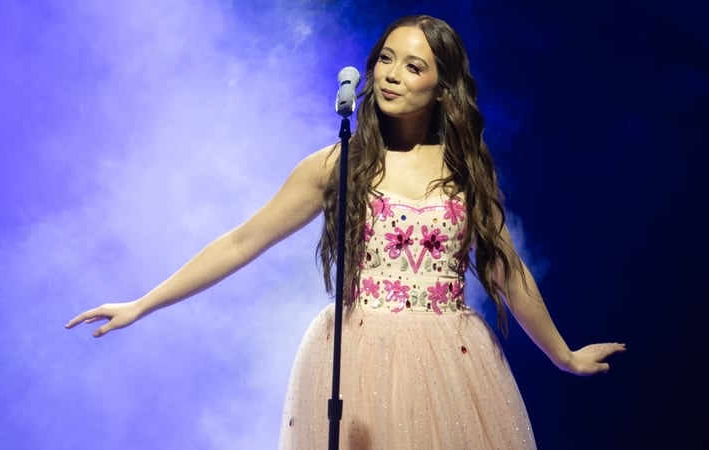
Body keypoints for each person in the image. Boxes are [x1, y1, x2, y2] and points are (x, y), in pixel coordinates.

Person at [66, 14, 625, 449]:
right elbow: (242, 241)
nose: (391, 74)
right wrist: (143, 303)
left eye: (413, 67)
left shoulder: (466, 172)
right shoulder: (339, 164)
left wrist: (564, 355)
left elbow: (507, 269)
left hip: (451, 363)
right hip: (359, 359)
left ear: (443, 88)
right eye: (386, 59)